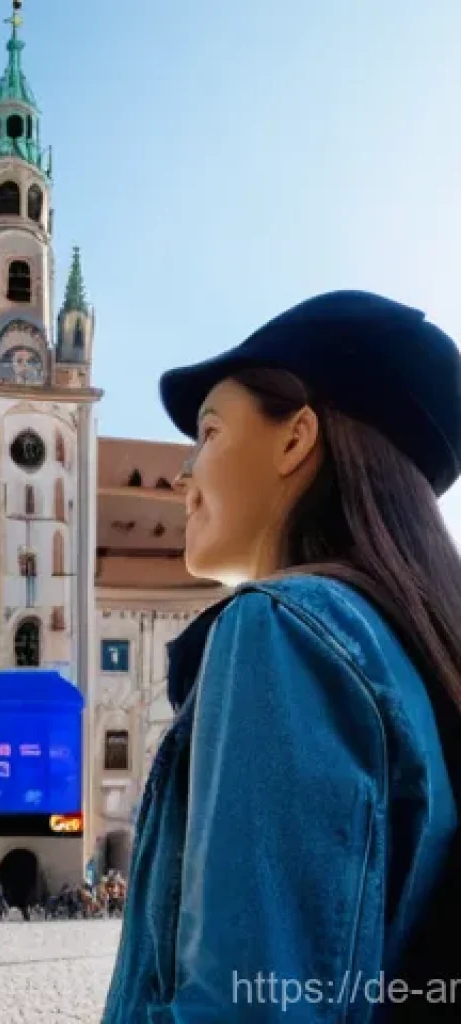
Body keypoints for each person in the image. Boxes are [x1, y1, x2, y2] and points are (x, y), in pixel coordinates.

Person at [102, 291, 461, 1022]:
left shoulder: (281, 631)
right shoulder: (416, 659)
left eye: (206, 433)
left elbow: (249, 1007)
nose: (182, 476)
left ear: (296, 439)